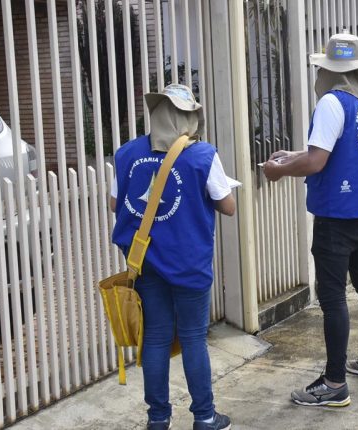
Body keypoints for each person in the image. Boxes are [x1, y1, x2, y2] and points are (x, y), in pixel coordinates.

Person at [263, 31, 358, 407]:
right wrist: (294, 155)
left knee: (332, 298)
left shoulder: (332, 103)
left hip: (335, 217)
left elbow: (318, 162)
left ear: (330, 71)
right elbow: (332, 149)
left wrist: (278, 170)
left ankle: (334, 383)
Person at [110, 84, 234, 430]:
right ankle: (205, 417)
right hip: (189, 265)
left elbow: (115, 204)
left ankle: (158, 419)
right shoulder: (202, 154)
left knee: (156, 337)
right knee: (194, 337)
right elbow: (228, 206)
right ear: (188, 117)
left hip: (145, 264)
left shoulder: (126, 154)